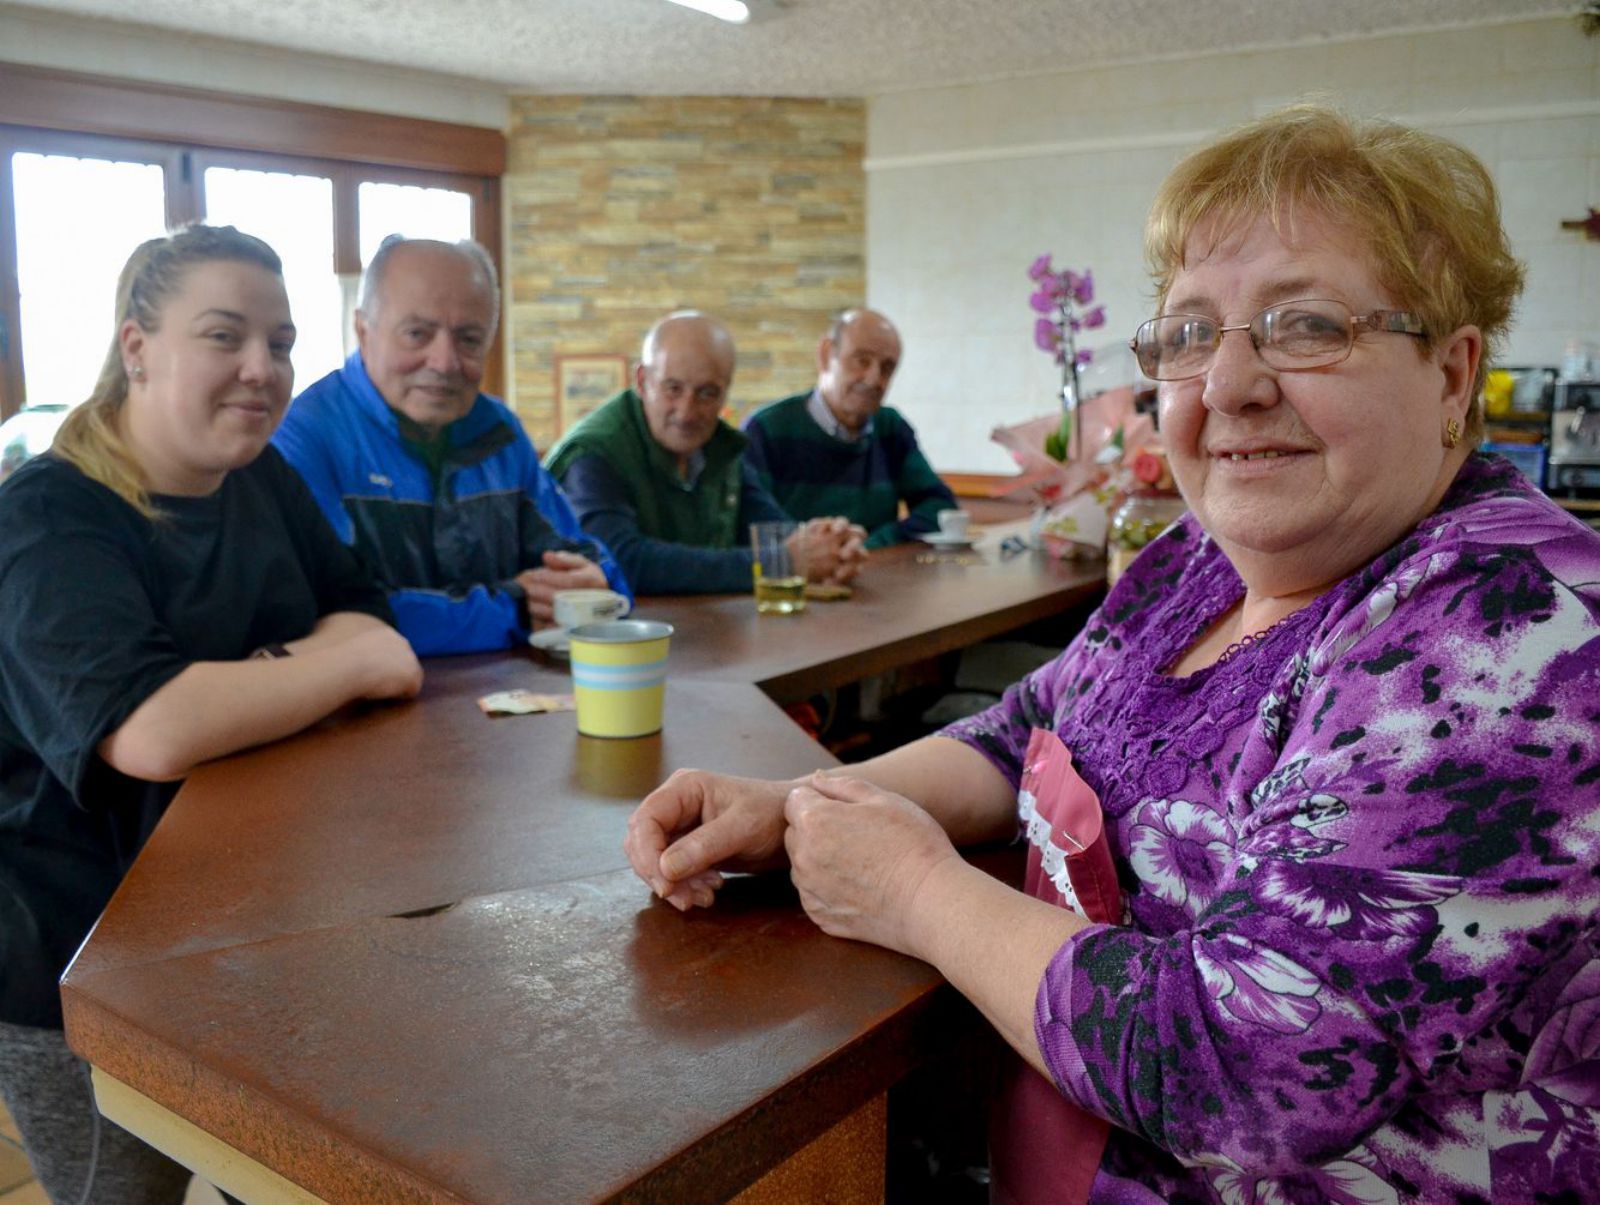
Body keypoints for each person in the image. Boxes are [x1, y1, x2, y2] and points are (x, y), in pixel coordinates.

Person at [623, 105, 1600, 1201]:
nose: (1228, 385)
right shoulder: (1200, 556)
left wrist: (913, 891)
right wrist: (800, 800)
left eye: (1307, 324)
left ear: (1453, 374)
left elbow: (1236, 1067)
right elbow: (1028, 724)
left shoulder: (1510, 634)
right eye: (1189, 334)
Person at [0, 225, 423, 1203]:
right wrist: (332, 661)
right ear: (137, 344)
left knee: (269, 1182)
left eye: (280, 342)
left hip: (256, 931)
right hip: (80, 960)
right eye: (225, 335)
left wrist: (260, 676)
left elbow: (381, 632)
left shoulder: (261, 480)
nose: (261, 369)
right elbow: (150, 730)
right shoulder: (45, 519)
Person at [273, 237, 626, 656]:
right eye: (417, 334)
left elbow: (595, 564)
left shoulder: (499, 431)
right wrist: (513, 609)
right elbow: (337, 616)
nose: (444, 362)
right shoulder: (302, 437)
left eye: (469, 339)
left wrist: (593, 585)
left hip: (503, 705)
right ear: (363, 331)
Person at [545, 311, 866, 594]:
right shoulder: (595, 452)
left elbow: (773, 530)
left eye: (707, 393)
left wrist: (830, 547)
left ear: (725, 392)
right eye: (673, 389)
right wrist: (778, 561)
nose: (687, 412)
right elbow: (619, 561)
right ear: (642, 381)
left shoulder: (720, 447)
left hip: (703, 640)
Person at [743, 308, 956, 546]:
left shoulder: (891, 429)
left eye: (887, 368)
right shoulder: (766, 429)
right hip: (796, 578)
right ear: (825, 355)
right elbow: (753, 526)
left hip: (877, 575)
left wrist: (873, 544)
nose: (874, 379)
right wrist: (821, 553)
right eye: (862, 360)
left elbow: (942, 509)